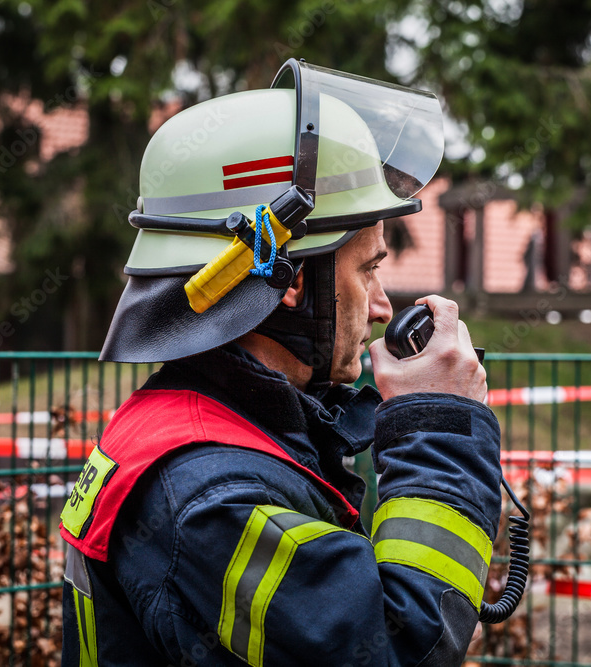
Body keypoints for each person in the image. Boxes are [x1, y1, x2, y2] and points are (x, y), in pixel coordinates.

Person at [59, 60, 502, 666]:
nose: (381, 308)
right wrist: (439, 426)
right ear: (291, 280)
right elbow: (398, 649)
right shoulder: (213, 501)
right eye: (368, 269)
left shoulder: (215, 431)